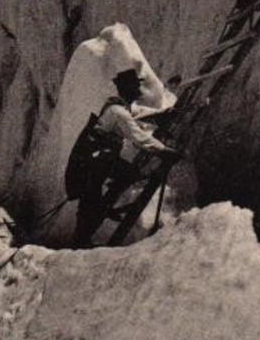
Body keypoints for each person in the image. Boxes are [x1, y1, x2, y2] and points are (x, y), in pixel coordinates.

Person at [69, 68, 178, 247]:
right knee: (92, 200)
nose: (138, 90)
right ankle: (81, 241)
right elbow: (138, 136)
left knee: (91, 199)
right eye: (135, 87)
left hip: (94, 160)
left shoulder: (116, 107)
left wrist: (161, 114)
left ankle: (86, 234)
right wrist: (164, 150)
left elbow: (136, 116)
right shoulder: (119, 112)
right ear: (127, 89)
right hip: (96, 162)